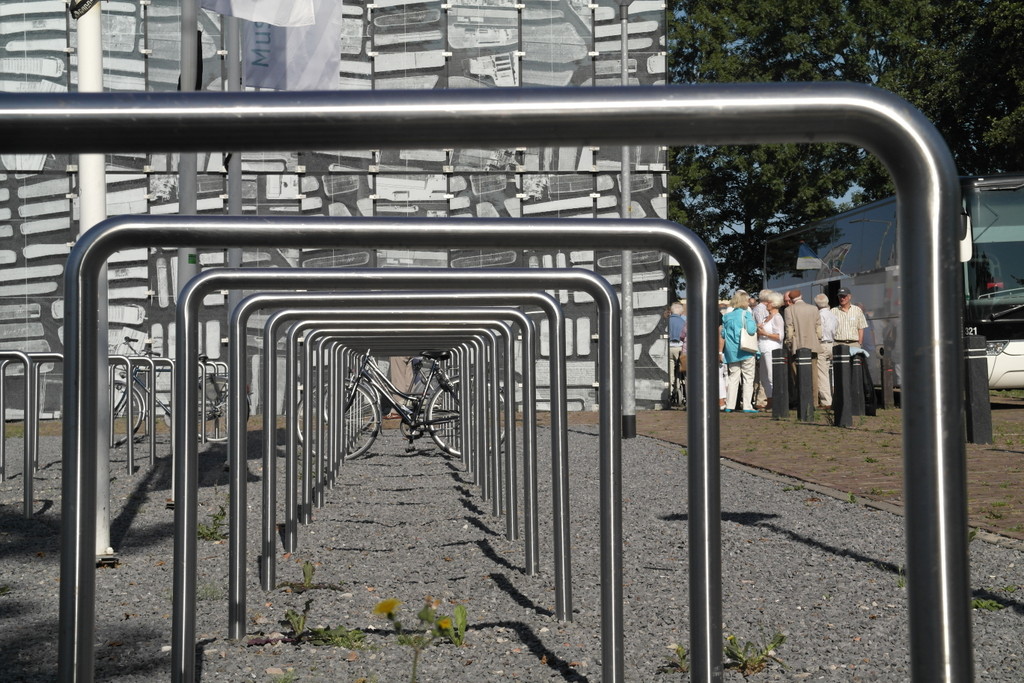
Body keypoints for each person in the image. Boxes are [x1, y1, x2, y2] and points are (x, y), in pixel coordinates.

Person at [719, 290, 758, 413]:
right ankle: (747, 406)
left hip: (731, 351)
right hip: (746, 350)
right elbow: (751, 330)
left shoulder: (726, 316)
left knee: (733, 378)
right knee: (748, 378)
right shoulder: (746, 314)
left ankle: (730, 405)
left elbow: (723, 334)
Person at [783, 289, 822, 402]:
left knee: (798, 375)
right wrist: (818, 340)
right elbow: (819, 328)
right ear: (802, 296)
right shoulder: (814, 309)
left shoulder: (789, 310)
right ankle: (814, 401)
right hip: (812, 345)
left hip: (797, 346)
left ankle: (802, 400)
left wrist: (789, 343)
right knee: (813, 374)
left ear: (791, 299)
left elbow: (789, 329)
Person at [755, 290, 785, 409]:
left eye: (768, 302)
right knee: (764, 377)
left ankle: (776, 401)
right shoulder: (766, 317)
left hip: (772, 348)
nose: (766, 304)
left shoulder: (777, 318)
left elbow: (780, 336)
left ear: (773, 303)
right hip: (763, 348)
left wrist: (765, 333)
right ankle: (770, 399)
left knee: (772, 375)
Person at [814, 293, 837, 408]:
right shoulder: (833, 315)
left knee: (822, 374)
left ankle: (826, 401)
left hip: (822, 344)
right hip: (831, 343)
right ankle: (831, 396)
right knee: (828, 372)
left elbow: (818, 331)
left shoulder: (818, 315)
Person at [666, 301, 686, 407]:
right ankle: (678, 389)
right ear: (681, 311)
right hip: (680, 348)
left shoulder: (667, 321)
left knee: (670, 371)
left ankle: (670, 392)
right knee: (680, 369)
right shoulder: (684, 321)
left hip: (669, 347)